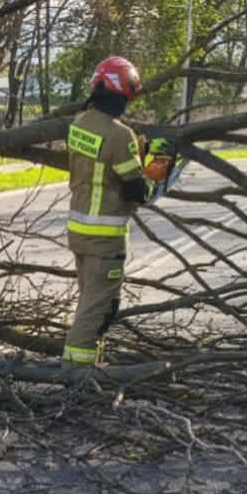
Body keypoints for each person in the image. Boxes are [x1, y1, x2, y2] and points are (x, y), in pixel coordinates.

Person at [62, 56, 173, 367]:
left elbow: (103, 159)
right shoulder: (119, 135)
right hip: (105, 238)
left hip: (80, 232)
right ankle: (76, 373)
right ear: (124, 92)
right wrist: (155, 171)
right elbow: (136, 189)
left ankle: (84, 367)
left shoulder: (80, 123)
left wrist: (139, 149)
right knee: (99, 311)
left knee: (89, 303)